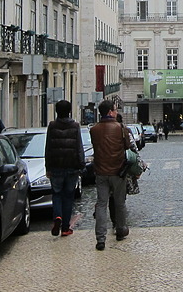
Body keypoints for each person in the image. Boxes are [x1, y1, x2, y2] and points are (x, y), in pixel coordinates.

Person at [89, 100, 129, 251]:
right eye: (115, 110)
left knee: (101, 204)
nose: (116, 112)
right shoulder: (120, 128)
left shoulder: (94, 130)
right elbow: (127, 146)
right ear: (110, 112)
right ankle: (120, 230)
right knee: (119, 203)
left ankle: (100, 238)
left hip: (100, 171)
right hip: (118, 172)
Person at [44, 100, 84, 237]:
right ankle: (65, 228)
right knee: (68, 197)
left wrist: (47, 167)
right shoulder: (75, 126)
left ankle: (57, 217)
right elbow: (79, 147)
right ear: (69, 111)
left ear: (56, 111)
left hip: (56, 167)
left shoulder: (52, 126)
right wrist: (81, 165)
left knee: (56, 194)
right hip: (72, 167)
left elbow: (48, 148)